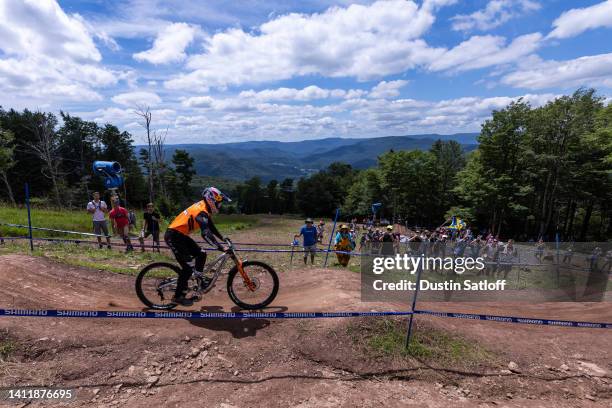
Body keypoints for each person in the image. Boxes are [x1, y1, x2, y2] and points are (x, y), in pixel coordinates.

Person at [165, 187, 231, 306]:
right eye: (219, 203)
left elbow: (210, 226)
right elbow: (205, 234)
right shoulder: (201, 211)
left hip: (180, 235)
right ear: (212, 200)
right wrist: (221, 247)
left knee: (201, 254)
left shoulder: (204, 208)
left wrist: (223, 238)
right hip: (174, 237)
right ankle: (178, 297)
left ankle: (199, 281)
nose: (220, 206)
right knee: (188, 268)